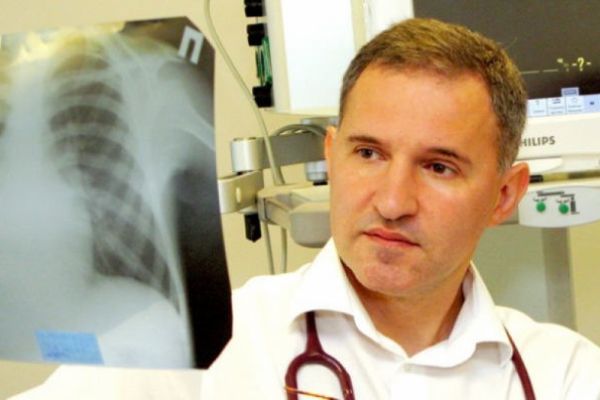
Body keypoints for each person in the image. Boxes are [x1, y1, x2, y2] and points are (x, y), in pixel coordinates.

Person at [200, 18, 600, 399]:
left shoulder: (568, 377)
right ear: (331, 158)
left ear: (504, 196)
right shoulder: (220, 344)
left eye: (438, 167)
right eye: (368, 153)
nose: (392, 204)